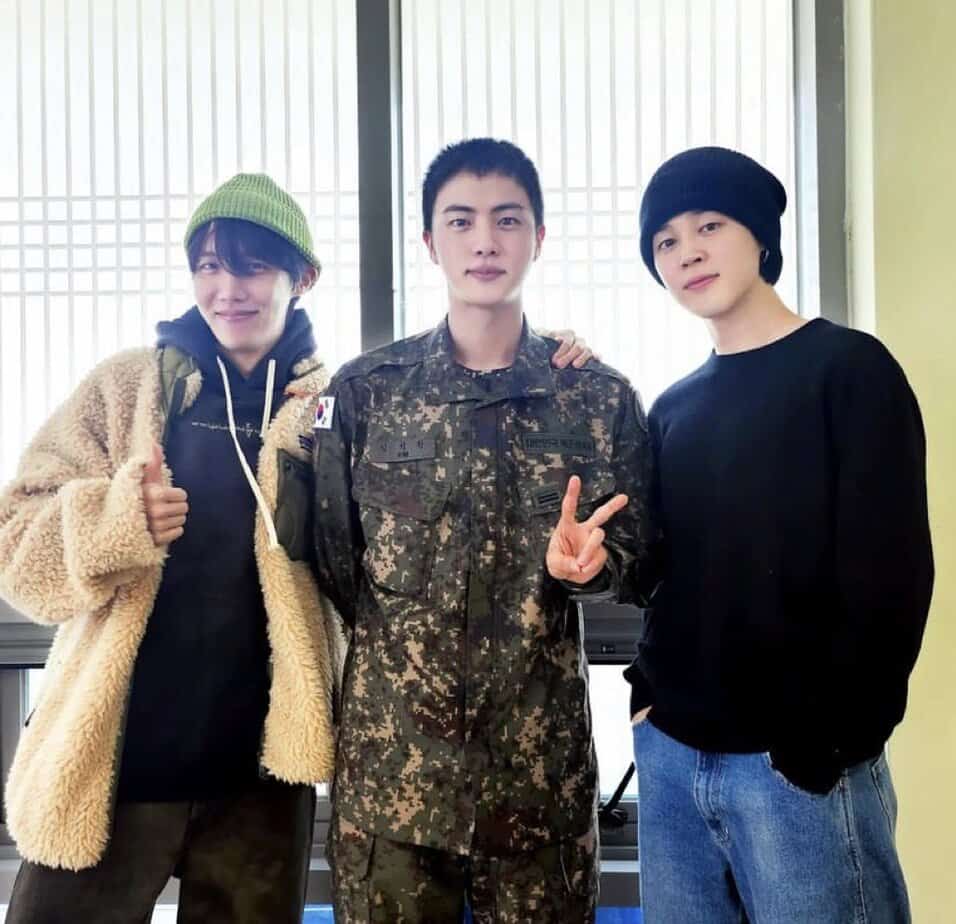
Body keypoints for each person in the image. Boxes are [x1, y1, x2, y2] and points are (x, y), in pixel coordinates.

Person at [312, 137, 655, 923]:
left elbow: (640, 557)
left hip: (538, 790)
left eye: (507, 219)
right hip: (393, 787)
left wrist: (591, 570)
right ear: (430, 243)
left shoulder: (596, 399)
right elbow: (335, 563)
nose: (485, 242)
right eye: (460, 221)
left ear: (539, 237)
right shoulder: (366, 394)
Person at [0, 173, 342, 923]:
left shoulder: (333, 409)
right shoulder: (127, 388)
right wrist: (117, 518)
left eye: (252, 266)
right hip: (115, 764)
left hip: (263, 777)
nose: (228, 289)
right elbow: (14, 539)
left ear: (303, 277)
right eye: (209, 266)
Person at [625, 146, 934, 923]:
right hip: (673, 760)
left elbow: (891, 577)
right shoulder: (673, 407)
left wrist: (826, 744)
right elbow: (661, 572)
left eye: (709, 225)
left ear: (761, 236)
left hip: (797, 770)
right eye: (665, 240)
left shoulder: (849, 371)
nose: (687, 252)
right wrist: (646, 700)